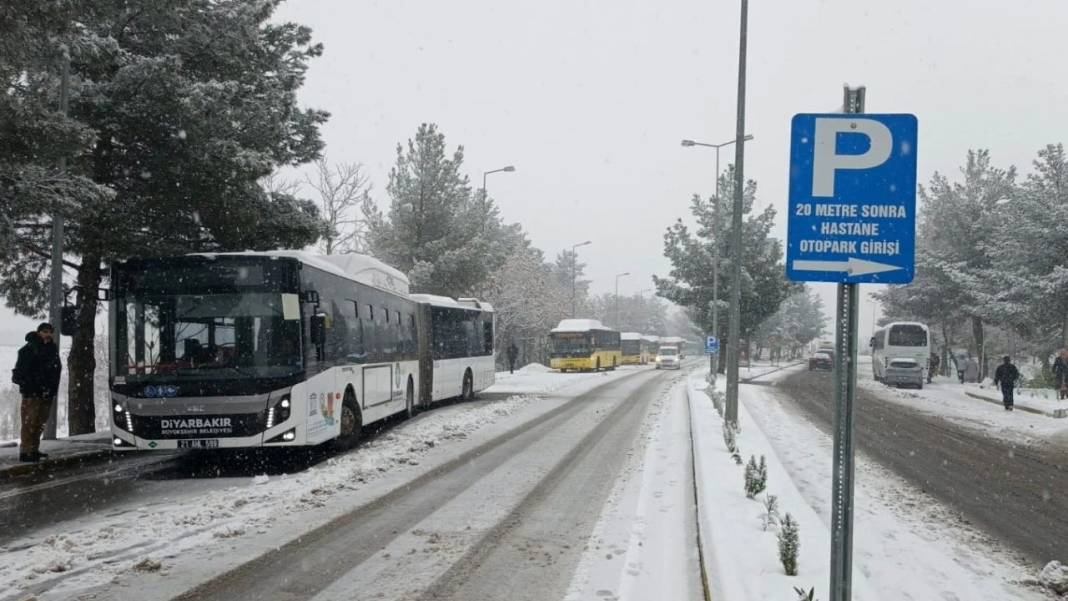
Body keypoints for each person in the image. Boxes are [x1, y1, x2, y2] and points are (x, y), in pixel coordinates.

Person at [12, 323, 62, 462]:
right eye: (45, 331)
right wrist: (32, 386)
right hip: (32, 394)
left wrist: (50, 389)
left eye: (50, 332)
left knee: (40, 423)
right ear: (39, 332)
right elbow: (22, 373)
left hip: (47, 393)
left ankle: (33, 449)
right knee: (30, 423)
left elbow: (54, 371)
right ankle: (26, 451)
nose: (48, 334)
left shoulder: (52, 349)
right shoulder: (28, 350)